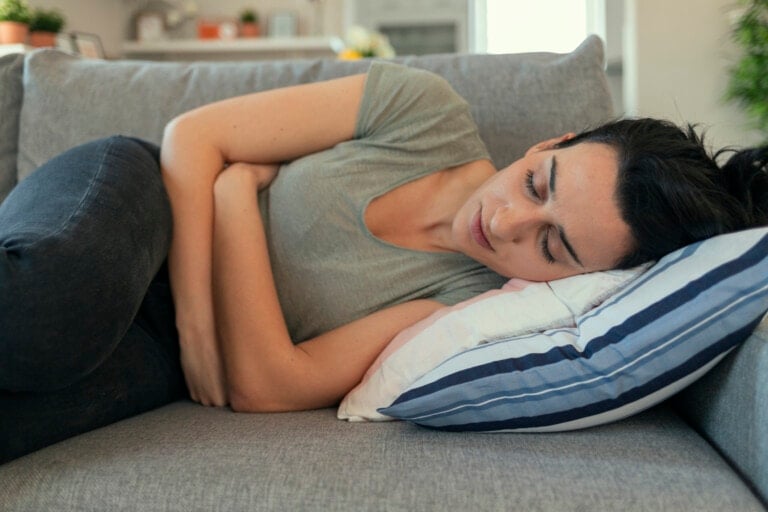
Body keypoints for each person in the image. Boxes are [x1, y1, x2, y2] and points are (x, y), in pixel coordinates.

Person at [1, 61, 766, 463]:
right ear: (549, 144)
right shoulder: (422, 111)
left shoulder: (458, 305)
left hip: (154, 341)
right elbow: (191, 140)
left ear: (587, 281)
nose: (506, 222)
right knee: (49, 306)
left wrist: (238, 195)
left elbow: (271, 387)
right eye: (538, 184)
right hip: (138, 198)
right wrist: (203, 330)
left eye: (552, 246)